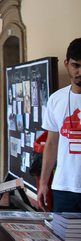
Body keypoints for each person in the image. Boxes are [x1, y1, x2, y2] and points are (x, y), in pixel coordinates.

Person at [37, 38, 81, 212]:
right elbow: (51, 143)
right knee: (61, 239)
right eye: (76, 65)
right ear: (66, 64)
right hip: (64, 187)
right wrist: (43, 183)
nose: (80, 71)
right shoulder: (56, 100)